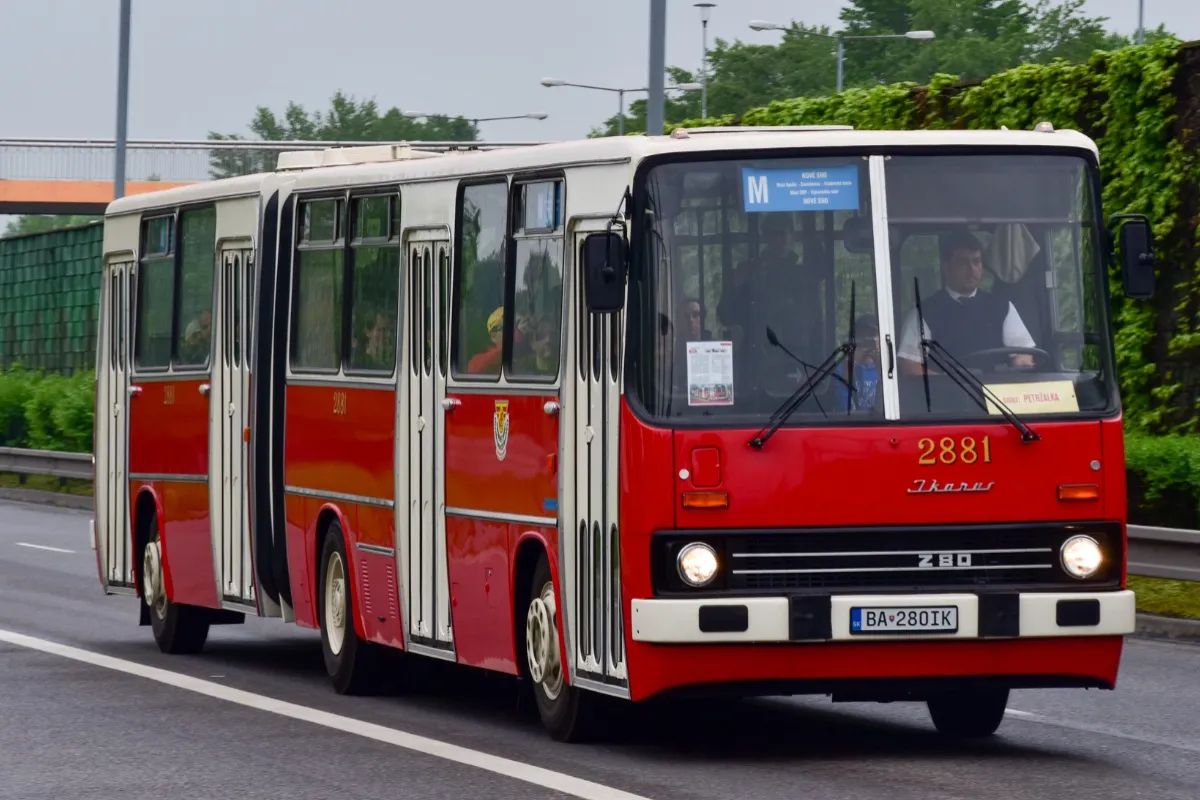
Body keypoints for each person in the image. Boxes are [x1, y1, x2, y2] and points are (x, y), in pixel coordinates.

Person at [897, 229, 1036, 375]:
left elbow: (1024, 352)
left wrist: (1021, 362)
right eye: (963, 263)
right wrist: (946, 383)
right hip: (946, 395)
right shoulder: (924, 313)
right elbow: (910, 364)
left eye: (976, 262)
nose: (972, 269)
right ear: (946, 268)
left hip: (996, 393)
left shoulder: (1002, 307)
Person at [835, 315, 881, 411]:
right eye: (862, 338)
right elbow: (843, 409)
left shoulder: (888, 368)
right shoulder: (842, 368)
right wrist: (849, 367)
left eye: (872, 336)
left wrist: (880, 362)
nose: (867, 342)